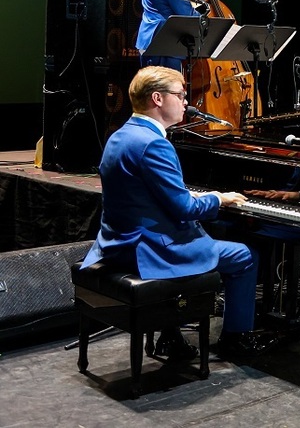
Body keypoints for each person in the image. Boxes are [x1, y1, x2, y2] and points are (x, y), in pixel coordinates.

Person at [79, 66, 276, 358]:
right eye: (180, 95)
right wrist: (217, 199)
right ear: (157, 98)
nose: (186, 102)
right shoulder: (154, 144)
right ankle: (236, 339)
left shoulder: (121, 135)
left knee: (196, 235)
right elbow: (184, 209)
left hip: (116, 243)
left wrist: (195, 195)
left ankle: (170, 336)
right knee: (245, 256)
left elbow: (144, 194)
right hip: (147, 250)